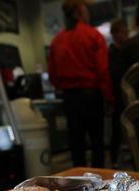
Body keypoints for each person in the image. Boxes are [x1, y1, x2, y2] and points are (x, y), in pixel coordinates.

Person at [48, 0, 113, 168]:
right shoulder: (94, 36)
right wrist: (109, 98)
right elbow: (103, 71)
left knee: (76, 146)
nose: (88, 14)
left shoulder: (57, 40)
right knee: (97, 143)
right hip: (92, 96)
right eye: (86, 10)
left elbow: (53, 76)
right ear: (79, 12)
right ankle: (100, 185)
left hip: (70, 98)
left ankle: (78, 186)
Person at [108, 19, 129, 166]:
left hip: (125, 96)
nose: (126, 36)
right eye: (123, 32)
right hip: (117, 96)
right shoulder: (111, 52)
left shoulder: (127, 49)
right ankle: (114, 159)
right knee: (116, 130)